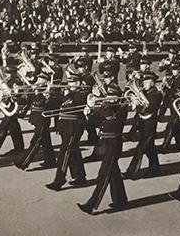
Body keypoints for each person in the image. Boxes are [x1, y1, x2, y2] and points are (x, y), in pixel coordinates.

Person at [77, 80, 128, 214]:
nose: (108, 98)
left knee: (103, 175)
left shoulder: (121, 108)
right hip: (105, 143)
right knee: (114, 173)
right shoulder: (106, 107)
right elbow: (97, 122)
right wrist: (89, 113)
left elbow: (114, 120)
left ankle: (91, 204)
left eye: (112, 96)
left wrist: (103, 106)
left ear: (118, 96)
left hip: (114, 145)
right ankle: (121, 200)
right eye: (108, 95)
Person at [46, 72, 87, 191]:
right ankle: (80, 177)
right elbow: (55, 105)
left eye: (72, 82)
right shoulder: (67, 94)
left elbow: (72, 103)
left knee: (64, 153)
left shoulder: (81, 94)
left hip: (74, 127)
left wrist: (67, 94)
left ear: (78, 83)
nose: (69, 84)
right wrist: (48, 95)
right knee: (74, 152)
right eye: (68, 82)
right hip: (65, 126)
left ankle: (59, 180)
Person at [124, 71, 163, 179]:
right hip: (143, 124)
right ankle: (155, 169)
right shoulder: (145, 93)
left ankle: (131, 172)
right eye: (144, 81)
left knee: (140, 149)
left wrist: (137, 106)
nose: (144, 83)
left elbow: (149, 108)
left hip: (149, 125)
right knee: (150, 148)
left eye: (147, 81)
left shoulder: (156, 94)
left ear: (153, 83)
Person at [14, 72, 56, 170]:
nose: (36, 83)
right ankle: (50, 160)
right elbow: (26, 101)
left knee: (35, 142)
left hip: (42, 120)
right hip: (37, 120)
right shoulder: (35, 92)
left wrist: (46, 93)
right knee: (46, 141)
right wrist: (15, 98)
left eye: (40, 82)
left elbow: (40, 102)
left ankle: (23, 163)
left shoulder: (46, 94)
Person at [159, 61, 180, 152]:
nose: (174, 72)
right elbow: (168, 92)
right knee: (178, 126)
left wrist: (169, 87)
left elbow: (179, 91)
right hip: (172, 104)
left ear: (179, 69)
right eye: (173, 70)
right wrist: (164, 87)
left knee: (171, 125)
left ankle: (165, 146)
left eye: (176, 70)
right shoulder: (172, 78)